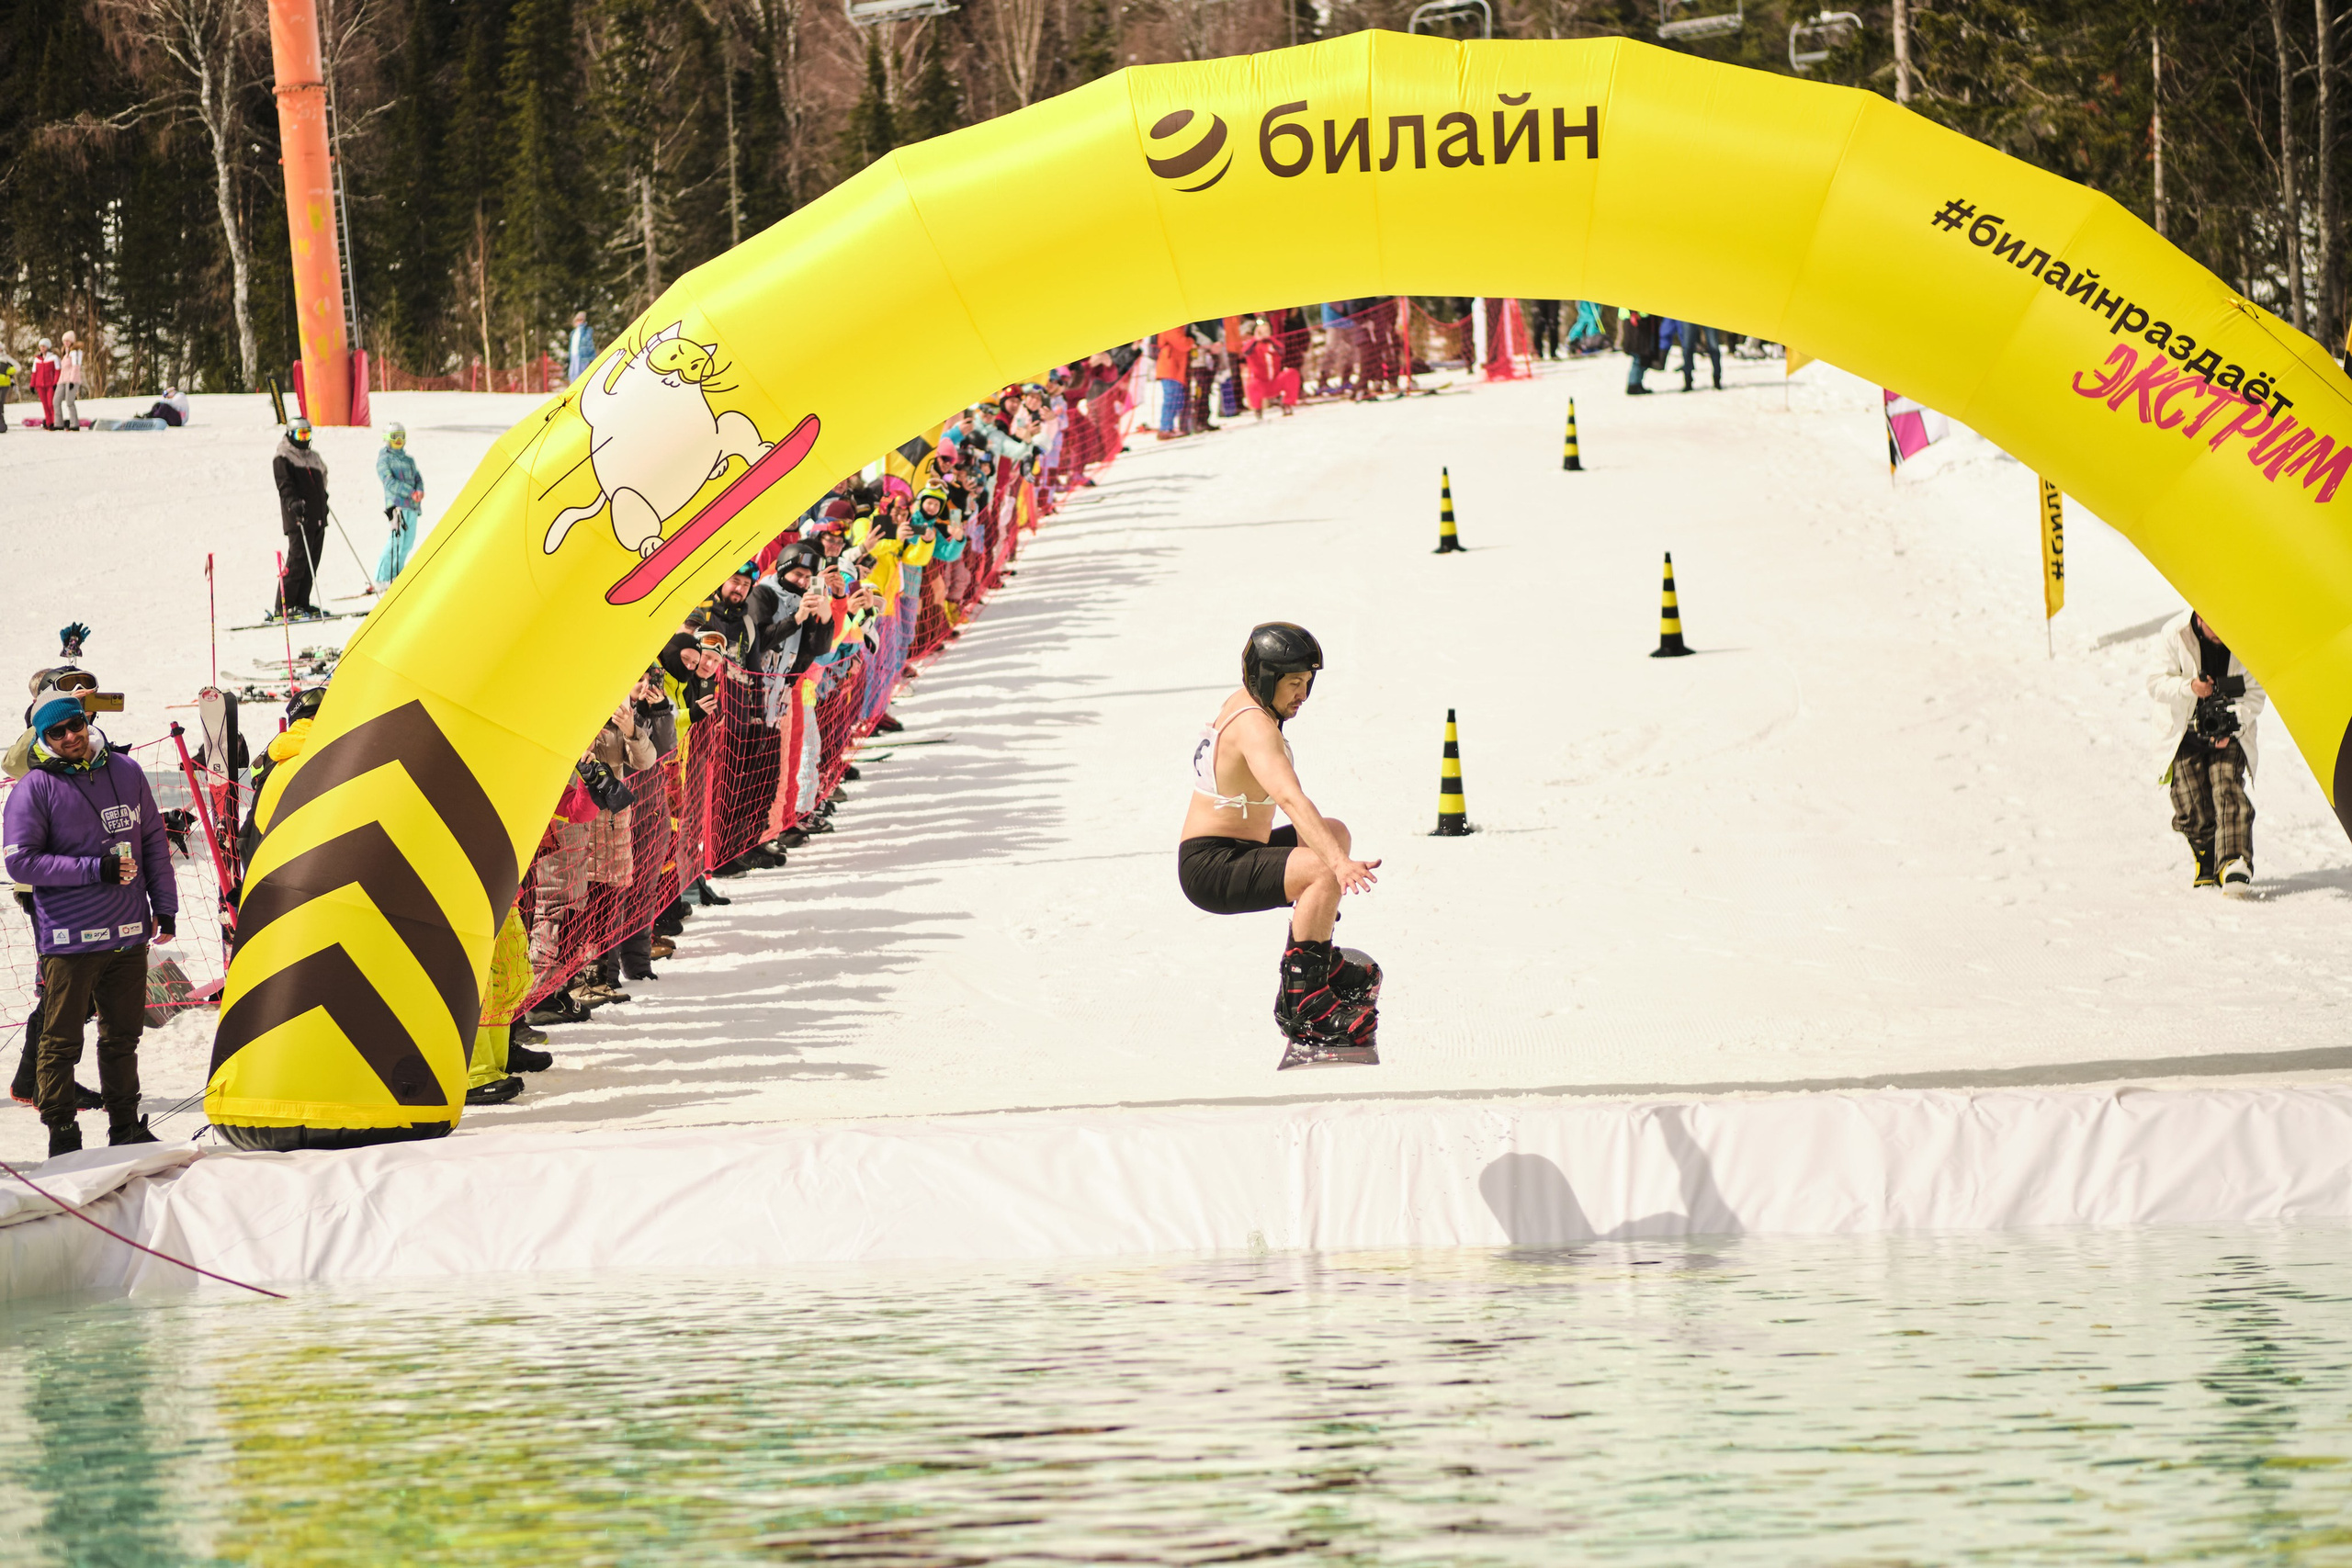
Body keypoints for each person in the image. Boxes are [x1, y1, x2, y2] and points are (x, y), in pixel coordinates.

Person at [1177, 624, 1383, 1069]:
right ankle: (1305, 1006)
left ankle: (1315, 961)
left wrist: (1333, 856)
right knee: (1324, 866)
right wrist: (1338, 866)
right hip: (1212, 866)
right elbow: (1290, 798)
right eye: (1293, 683)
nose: (1303, 695)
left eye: (1308, 683)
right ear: (1266, 679)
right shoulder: (1255, 727)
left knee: (1333, 833)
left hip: (1238, 848)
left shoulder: (1251, 705)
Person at [3, 691, 178, 1156]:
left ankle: (126, 1128)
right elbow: (21, 862)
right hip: (70, 937)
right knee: (61, 1042)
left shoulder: (127, 771)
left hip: (128, 931)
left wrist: (165, 906)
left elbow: (152, 842)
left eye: (75, 726)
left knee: (122, 1038)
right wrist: (94, 869)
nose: (70, 737)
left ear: (86, 721)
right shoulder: (33, 788)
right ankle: (63, 1137)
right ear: (43, 738)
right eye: (56, 733)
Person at [2150, 609, 2265, 897]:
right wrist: (2190, 687)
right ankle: (2206, 854)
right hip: (2183, 732)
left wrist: (2232, 723)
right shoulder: (2174, 633)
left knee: (2227, 788)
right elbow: (2155, 683)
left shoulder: (2246, 638)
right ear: (2199, 616)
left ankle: (2234, 862)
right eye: (2216, 625)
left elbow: (2255, 693)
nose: (2223, 632)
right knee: (2189, 800)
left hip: (2231, 731)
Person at [272, 416, 331, 618]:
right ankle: (284, 604)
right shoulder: (283, 457)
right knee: (297, 561)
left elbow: (323, 477)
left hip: (317, 516)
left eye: (307, 434)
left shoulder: (313, 457)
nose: (304, 438)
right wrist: (293, 502)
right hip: (298, 517)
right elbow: (284, 486)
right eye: (300, 434)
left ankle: (302, 602)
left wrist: (323, 498)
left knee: (312, 562)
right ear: (290, 434)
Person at [374, 423, 424, 589]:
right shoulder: (384, 459)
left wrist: (419, 490)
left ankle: (397, 575)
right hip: (397, 506)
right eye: (395, 437)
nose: (399, 440)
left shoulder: (409, 460)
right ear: (387, 438)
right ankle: (382, 577)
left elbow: (417, 478)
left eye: (402, 436)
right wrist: (410, 492)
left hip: (412, 506)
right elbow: (389, 482)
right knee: (396, 540)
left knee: (408, 542)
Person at [1154, 326, 1191, 441]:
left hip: (1175, 368)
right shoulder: (1170, 327)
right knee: (1171, 398)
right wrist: (1191, 340)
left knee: (1176, 399)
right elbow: (1183, 343)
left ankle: (1169, 427)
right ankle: (1165, 428)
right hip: (1170, 368)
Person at [52, 331, 83, 431]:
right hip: (62, 380)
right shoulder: (64, 353)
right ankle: (58, 424)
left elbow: (76, 367)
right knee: (56, 401)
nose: (66, 343)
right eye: (64, 341)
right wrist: (57, 382)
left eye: (68, 341)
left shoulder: (75, 352)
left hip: (72, 380)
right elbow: (63, 369)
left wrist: (72, 381)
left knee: (69, 402)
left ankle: (74, 424)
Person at [1679, 321, 1724, 391]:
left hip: (1709, 316)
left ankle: (1717, 378)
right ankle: (1688, 379)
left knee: (1714, 347)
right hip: (1689, 316)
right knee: (1687, 347)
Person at [29, 339, 58, 430]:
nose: (42, 348)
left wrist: (55, 383)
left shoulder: (53, 358)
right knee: (45, 405)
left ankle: (54, 422)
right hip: (40, 385)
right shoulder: (37, 359)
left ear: (48, 347)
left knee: (50, 404)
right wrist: (32, 385)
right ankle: (48, 422)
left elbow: (57, 371)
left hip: (50, 384)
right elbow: (34, 373)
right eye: (41, 346)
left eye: (44, 346)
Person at [568, 310, 596, 383]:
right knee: (572, 374)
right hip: (574, 355)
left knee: (580, 374)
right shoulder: (573, 333)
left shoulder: (587, 331)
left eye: (581, 320)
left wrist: (591, 358)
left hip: (583, 356)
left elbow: (590, 344)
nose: (579, 322)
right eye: (578, 320)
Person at [0, 343, 17, 431]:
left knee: (0, 402)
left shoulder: (6, 358)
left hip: (5, 383)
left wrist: (8, 371)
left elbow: (18, 367)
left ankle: (1, 424)